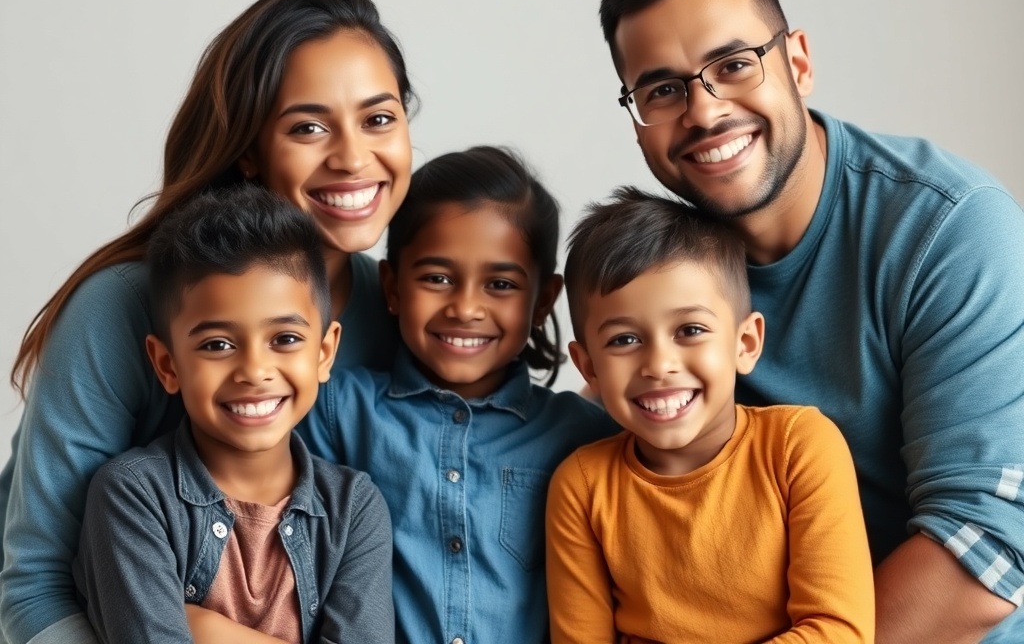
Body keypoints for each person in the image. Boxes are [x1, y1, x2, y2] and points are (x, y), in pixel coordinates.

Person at [598, 0, 1024, 642]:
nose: (703, 113)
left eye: (733, 65)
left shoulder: (948, 231)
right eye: (664, 89)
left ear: (797, 62)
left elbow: (984, 556)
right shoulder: (667, 266)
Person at [1, 0, 416, 644]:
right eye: (308, 126)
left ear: (326, 347)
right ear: (249, 151)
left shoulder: (400, 308)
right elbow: (34, 585)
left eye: (379, 118)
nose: (352, 157)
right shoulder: (120, 307)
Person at [300, 146, 621, 644]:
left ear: (542, 302)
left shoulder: (583, 436)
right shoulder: (338, 410)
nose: (466, 307)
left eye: (499, 284)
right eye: (437, 278)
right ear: (392, 286)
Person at [546, 187, 874, 643]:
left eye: (690, 330)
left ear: (746, 344)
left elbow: (838, 631)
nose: (659, 365)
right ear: (588, 368)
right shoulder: (581, 487)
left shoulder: (799, 446)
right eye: (623, 340)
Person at [73, 185, 394, 643]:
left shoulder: (355, 509)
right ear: (167, 365)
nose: (254, 371)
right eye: (217, 345)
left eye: (284, 339)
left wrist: (210, 632)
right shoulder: (133, 497)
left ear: (325, 353)